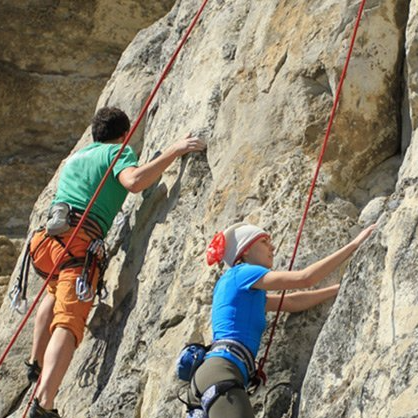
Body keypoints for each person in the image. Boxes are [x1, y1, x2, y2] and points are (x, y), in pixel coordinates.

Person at [26, 106, 206, 418]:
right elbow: (134, 181)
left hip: (46, 241)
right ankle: (44, 402)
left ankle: (35, 363)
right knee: (68, 321)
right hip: (78, 242)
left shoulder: (75, 160)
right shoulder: (117, 152)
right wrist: (175, 150)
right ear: (123, 136)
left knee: (54, 294)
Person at [186, 222, 375, 418]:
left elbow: (291, 302)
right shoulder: (243, 272)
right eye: (264, 241)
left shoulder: (238, 288)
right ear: (246, 250)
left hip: (210, 376)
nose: (272, 247)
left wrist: (337, 289)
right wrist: (356, 244)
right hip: (222, 372)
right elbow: (305, 278)